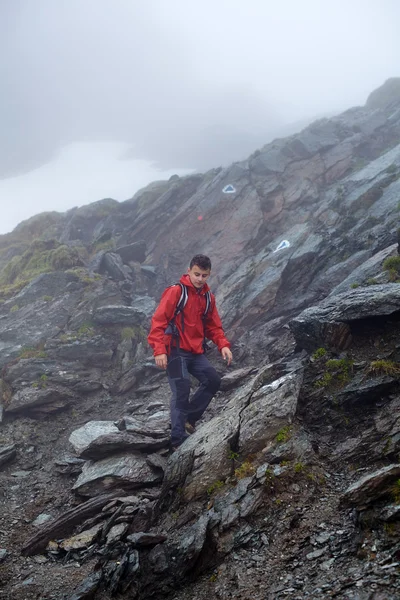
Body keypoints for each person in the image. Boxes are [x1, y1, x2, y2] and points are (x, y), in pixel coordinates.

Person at [148, 255, 232, 449]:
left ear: (209, 275)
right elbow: (158, 322)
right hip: (175, 351)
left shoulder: (208, 298)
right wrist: (159, 351)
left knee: (213, 380)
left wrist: (223, 345)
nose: (199, 279)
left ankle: (188, 419)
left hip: (195, 352)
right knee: (182, 389)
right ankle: (177, 440)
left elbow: (214, 327)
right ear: (188, 270)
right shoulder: (176, 292)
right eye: (196, 274)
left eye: (204, 275)